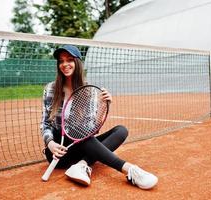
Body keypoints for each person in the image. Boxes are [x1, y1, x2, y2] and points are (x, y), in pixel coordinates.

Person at [40, 44, 158, 190]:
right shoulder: (50, 89)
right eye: (61, 61)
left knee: (121, 130)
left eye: (69, 60)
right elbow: (45, 124)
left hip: (81, 145)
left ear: (77, 63)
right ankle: (128, 169)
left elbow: (91, 131)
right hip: (58, 154)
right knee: (75, 129)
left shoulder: (87, 90)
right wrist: (50, 143)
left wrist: (103, 106)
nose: (65, 64)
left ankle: (82, 165)